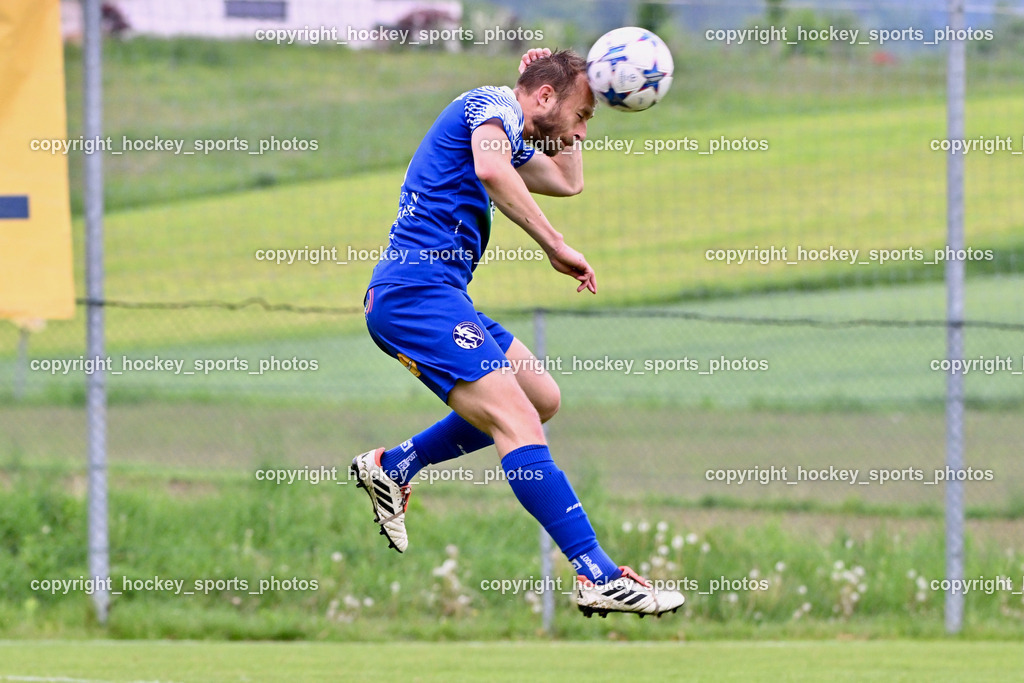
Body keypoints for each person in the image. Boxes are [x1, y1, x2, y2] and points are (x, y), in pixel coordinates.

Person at [352, 48, 684, 618]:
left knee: (541, 398)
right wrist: (555, 245)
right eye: (581, 116)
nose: (582, 129)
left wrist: (587, 99)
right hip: (414, 295)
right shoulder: (490, 105)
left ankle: (396, 464)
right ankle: (597, 573)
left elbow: (565, 181)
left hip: (442, 296)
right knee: (518, 421)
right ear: (545, 96)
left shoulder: (516, 123)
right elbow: (490, 169)